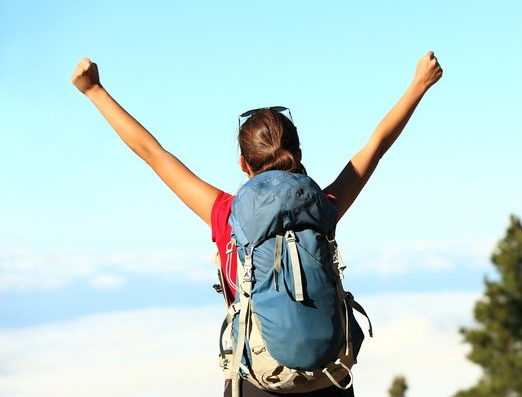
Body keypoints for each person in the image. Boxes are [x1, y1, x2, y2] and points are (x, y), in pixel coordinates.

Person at [71, 51, 443, 396]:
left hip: (257, 381)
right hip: (328, 379)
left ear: (243, 165)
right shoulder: (323, 208)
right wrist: (419, 84)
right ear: (297, 156)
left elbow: (153, 153)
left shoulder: (225, 213)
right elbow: (375, 145)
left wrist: (95, 90)